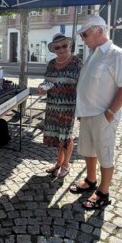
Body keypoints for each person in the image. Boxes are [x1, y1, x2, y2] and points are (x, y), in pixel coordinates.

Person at [69, 15, 122, 210]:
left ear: (98, 30)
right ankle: (90, 180)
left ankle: (104, 192)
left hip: (103, 115)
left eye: (85, 34)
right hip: (88, 114)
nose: (83, 39)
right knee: (89, 150)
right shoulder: (94, 53)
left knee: (105, 153)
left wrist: (110, 113)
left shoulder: (117, 54)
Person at [38, 34, 83, 178]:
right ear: (54, 50)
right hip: (52, 106)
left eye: (64, 45)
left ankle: (65, 165)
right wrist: (42, 87)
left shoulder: (77, 63)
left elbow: (84, 85)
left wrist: (82, 109)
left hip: (69, 107)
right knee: (57, 136)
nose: (61, 49)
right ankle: (58, 162)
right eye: (58, 47)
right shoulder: (51, 64)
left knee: (66, 136)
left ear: (69, 46)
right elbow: (47, 81)